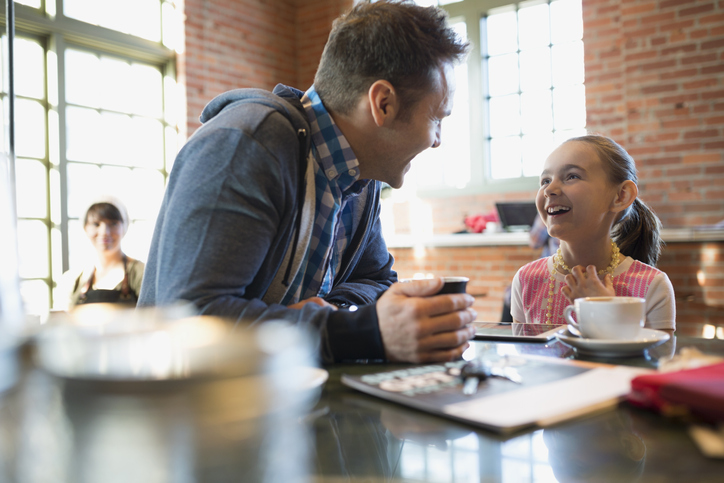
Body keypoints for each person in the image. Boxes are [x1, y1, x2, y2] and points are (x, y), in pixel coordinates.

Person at [138, 0, 477, 363]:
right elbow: (190, 322)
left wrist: (334, 315)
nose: (438, 139)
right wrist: (358, 331)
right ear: (383, 104)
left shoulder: (362, 181)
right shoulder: (248, 145)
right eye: (437, 119)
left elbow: (377, 281)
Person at [510, 135, 675, 336]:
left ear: (621, 196)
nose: (549, 190)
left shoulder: (653, 286)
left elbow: (658, 365)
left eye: (572, 176)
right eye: (545, 180)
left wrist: (606, 311)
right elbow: (522, 360)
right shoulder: (526, 279)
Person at [58, 196, 145, 309]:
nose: (104, 232)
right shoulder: (72, 280)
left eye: (113, 224)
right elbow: (62, 321)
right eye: (96, 224)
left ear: (125, 227)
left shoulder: (141, 273)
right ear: (85, 228)